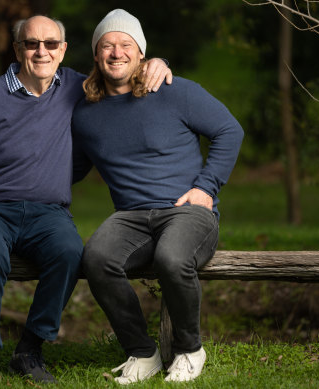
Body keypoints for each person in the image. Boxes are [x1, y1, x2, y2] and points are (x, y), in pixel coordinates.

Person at [0, 14, 172, 385]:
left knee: (71, 252)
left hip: (47, 212)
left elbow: (120, 65)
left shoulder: (77, 87)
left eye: (51, 43)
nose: (42, 51)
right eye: (32, 43)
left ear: (63, 49)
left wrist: (157, 62)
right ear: (17, 49)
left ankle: (30, 349)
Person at [71, 9, 244, 385]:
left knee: (172, 258)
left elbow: (229, 131)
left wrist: (206, 186)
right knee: (96, 258)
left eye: (125, 45)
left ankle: (189, 349)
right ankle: (142, 352)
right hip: (131, 217)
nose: (116, 52)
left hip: (187, 211)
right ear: (96, 55)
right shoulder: (85, 113)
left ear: (141, 54)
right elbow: (71, 168)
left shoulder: (174, 90)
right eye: (107, 45)